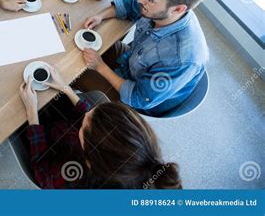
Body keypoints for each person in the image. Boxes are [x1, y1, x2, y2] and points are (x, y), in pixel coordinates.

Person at [79, 0, 213, 116]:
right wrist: (99, 16)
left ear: (178, 9)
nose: (141, 0)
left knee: (73, 75)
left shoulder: (181, 59)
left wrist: (100, 66)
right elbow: (130, 5)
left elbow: (138, 97)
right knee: (85, 44)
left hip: (133, 99)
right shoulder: (165, 9)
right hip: (132, 60)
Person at [19, 64, 182, 189]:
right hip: (62, 132)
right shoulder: (135, 156)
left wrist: (32, 114)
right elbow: (91, 115)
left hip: (45, 147)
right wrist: (66, 89)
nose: (87, 112)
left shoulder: (75, 179)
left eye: (84, 125)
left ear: (88, 153)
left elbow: (42, 173)